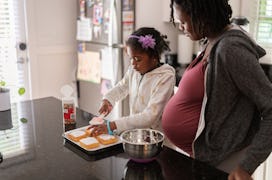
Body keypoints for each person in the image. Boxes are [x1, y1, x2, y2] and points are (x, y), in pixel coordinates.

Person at [161, 0, 272, 179]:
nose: (181, 27)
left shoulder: (231, 49)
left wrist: (247, 166)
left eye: (184, 21)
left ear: (203, 17)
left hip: (227, 161)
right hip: (208, 157)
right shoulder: (212, 41)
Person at [89, 27, 175, 137]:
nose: (133, 64)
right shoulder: (134, 70)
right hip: (137, 136)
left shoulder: (165, 77)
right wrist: (108, 99)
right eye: (131, 58)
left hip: (158, 141)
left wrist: (113, 125)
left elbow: (150, 116)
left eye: (138, 59)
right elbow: (122, 87)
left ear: (154, 57)